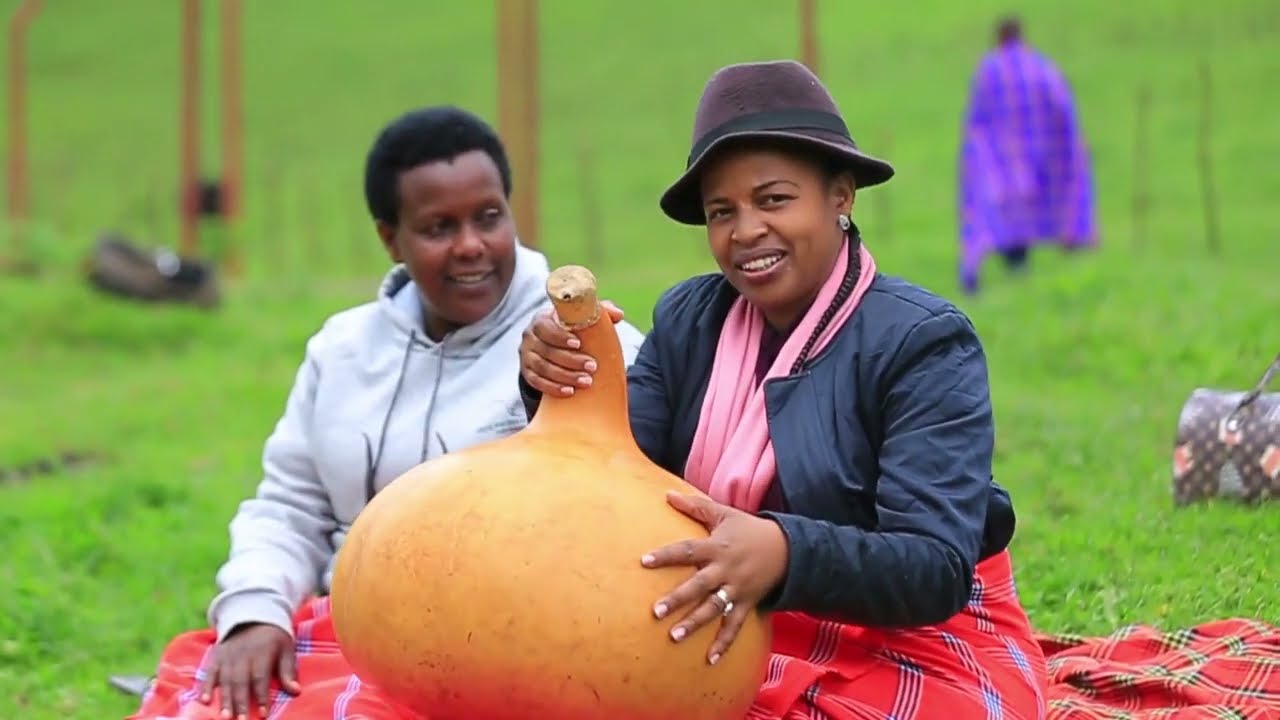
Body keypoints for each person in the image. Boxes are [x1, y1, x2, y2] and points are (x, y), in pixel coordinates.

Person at [520, 60, 1049, 719]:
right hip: (721, 612)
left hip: (912, 638)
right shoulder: (688, 321)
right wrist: (566, 380)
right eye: (722, 212)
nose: (745, 232)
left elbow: (933, 565)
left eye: (773, 200)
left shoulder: (923, 342)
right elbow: (614, 478)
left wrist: (784, 553)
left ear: (841, 196)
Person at [124, 105, 646, 720]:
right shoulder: (342, 350)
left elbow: (626, 517)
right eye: (438, 227)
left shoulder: (576, 344)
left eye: (488, 217)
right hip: (348, 625)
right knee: (217, 700)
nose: (471, 246)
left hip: (508, 640)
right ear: (390, 239)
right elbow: (290, 506)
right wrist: (255, 612)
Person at [957, 15, 1098, 294]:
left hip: (1001, 165)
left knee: (1006, 216)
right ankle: (1025, 268)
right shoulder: (1042, 67)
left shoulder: (989, 70)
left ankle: (1014, 267)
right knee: (1028, 212)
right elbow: (1063, 111)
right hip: (1040, 160)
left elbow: (976, 122)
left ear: (999, 37)